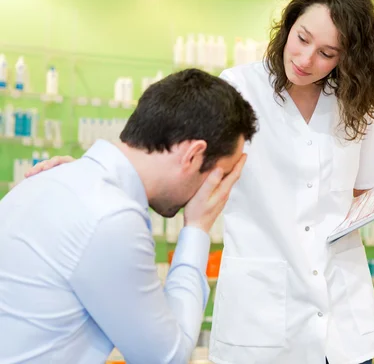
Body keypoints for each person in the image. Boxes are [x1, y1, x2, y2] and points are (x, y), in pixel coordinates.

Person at [27, 0, 374, 364]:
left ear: (348, 58)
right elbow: (166, 155)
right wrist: (87, 173)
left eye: (327, 53)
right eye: (302, 39)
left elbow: (372, 190)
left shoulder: (358, 105)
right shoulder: (239, 86)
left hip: (342, 317)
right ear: (288, 25)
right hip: (263, 315)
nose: (305, 59)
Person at [0, 69, 258, 364]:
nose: (216, 191)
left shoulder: (54, 181)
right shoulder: (110, 218)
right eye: (220, 176)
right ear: (193, 155)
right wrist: (198, 229)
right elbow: (167, 359)